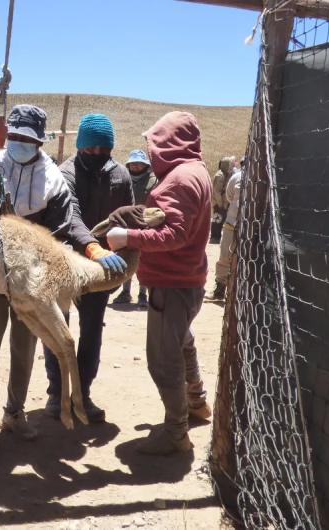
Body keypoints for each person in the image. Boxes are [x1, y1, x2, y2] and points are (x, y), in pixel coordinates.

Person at [0, 105, 123, 450]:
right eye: (14, 137)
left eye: (27, 139)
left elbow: (62, 229)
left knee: (25, 346)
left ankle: (14, 413)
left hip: (30, 280)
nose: (19, 143)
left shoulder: (53, 180)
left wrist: (90, 248)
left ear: (39, 142)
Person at [106, 111, 214, 455]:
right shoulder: (195, 171)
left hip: (172, 283)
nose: (151, 151)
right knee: (183, 343)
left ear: (170, 142)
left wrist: (128, 236)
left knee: (164, 358)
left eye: (154, 143)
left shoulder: (180, 179)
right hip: (189, 279)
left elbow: (175, 233)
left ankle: (175, 433)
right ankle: (196, 402)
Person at [43, 113, 131, 424]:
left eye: (103, 149)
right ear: (80, 146)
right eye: (90, 148)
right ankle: (57, 393)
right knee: (58, 331)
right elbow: (71, 217)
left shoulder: (121, 175)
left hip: (102, 271)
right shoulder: (63, 173)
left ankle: (83, 393)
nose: (96, 154)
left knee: (92, 332)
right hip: (67, 266)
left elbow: (128, 216)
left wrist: (125, 265)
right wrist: (92, 247)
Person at [112, 149, 158, 307]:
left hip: (145, 225)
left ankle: (143, 294)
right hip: (127, 224)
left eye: (139, 163)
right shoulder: (124, 179)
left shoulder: (154, 181)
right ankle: (125, 292)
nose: (136, 166)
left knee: (143, 259)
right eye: (133, 164)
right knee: (126, 258)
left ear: (145, 165)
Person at [210, 159, 243, 300]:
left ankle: (239, 290)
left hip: (251, 228)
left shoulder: (263, 179)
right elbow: (229, 196)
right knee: (225, 256)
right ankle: (220, 287)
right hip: (232, 224)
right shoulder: (237, 178)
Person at [209, 156, 236, 243]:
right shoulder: (220, 175)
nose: (231, 167)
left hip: (222, 203)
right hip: (218, 203)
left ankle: (217, 237)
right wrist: (220, 204)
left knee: (220, 219)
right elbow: (217, 192)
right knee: (217, 219)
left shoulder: (225, 174)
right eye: (229, 165)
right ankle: (214, 237)